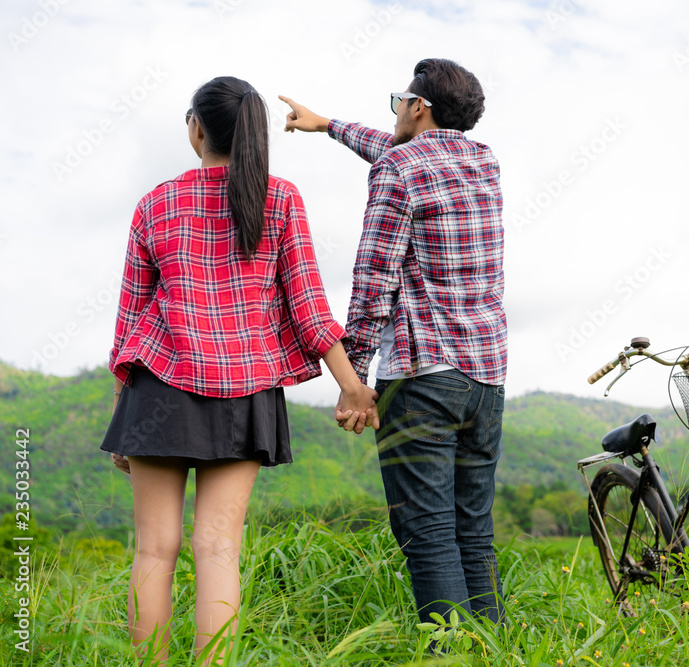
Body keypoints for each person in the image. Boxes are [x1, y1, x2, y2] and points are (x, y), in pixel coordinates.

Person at [101, 75, 379, 665]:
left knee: (154, 550)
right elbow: (308, 309)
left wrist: (123, 416)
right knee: (219, 548)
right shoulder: (279, 199)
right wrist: (352, 386)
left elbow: (130, 323)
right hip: (245, 388)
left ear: (197, 128)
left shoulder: (156, 202)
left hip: (157, 390)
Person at [280, 58, 508, 627]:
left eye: (398, 102)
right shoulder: (483, 162)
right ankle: (494, 649)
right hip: (487, 379)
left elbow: (374, 280)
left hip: (422, 377)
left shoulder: (400, 170)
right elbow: (398, 149)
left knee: (427, 531)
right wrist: (328, 124)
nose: (396, 112)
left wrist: (353, 381)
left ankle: (451, 656)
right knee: (471, 529)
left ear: (418, 107)